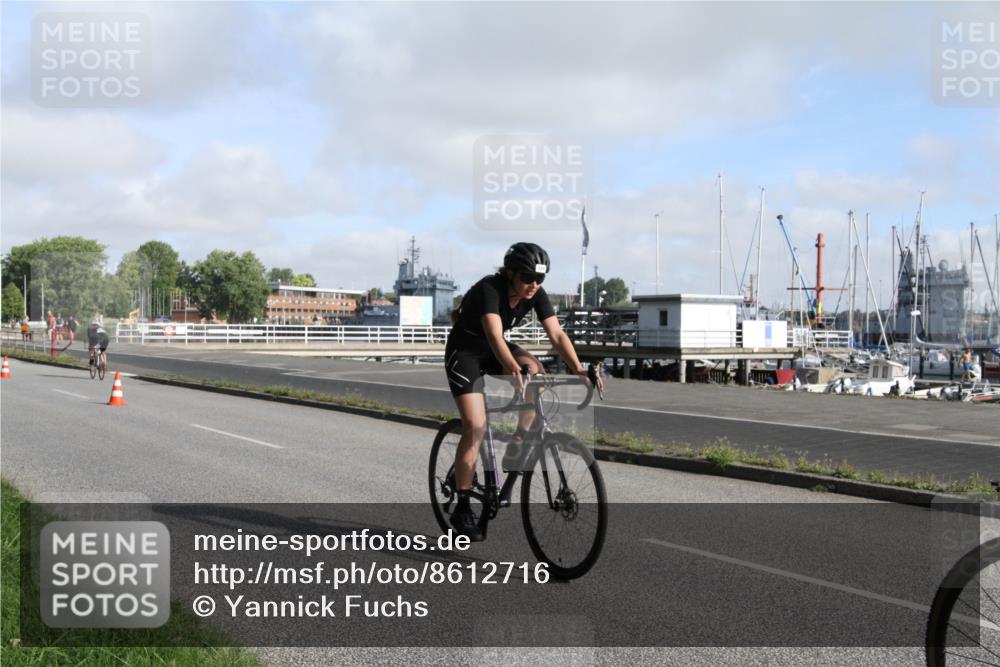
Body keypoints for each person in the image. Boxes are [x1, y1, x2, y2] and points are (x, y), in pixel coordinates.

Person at [444, 242, 603, 541]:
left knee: (537, 374)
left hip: (495, 350)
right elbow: (493, 334)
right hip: (465, 353)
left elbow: (556, 334)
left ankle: (519, 442)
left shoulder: (536, 295)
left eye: (540, 280)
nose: (533, 285)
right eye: (528, 278)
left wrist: (579, 369)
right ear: (510, 273)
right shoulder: (490, 288)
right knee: (476, 426)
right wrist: (512, 368)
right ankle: (462, 506)